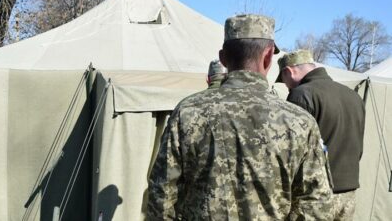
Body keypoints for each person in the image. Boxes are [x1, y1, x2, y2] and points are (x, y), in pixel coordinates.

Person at [146, 14, 332, 220]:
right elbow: (317, 205)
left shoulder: (188, 112)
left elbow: (161, 193)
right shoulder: (300, 122)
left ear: (223, 58)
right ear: (269, 56)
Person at [277, 49, 365, 220]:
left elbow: (291, 152)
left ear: (289, 71)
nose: (286, 85)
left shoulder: (301, 95)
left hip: (314, 197)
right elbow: (359, 147)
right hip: (349, 192)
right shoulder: (353, 96)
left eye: (284, 80)